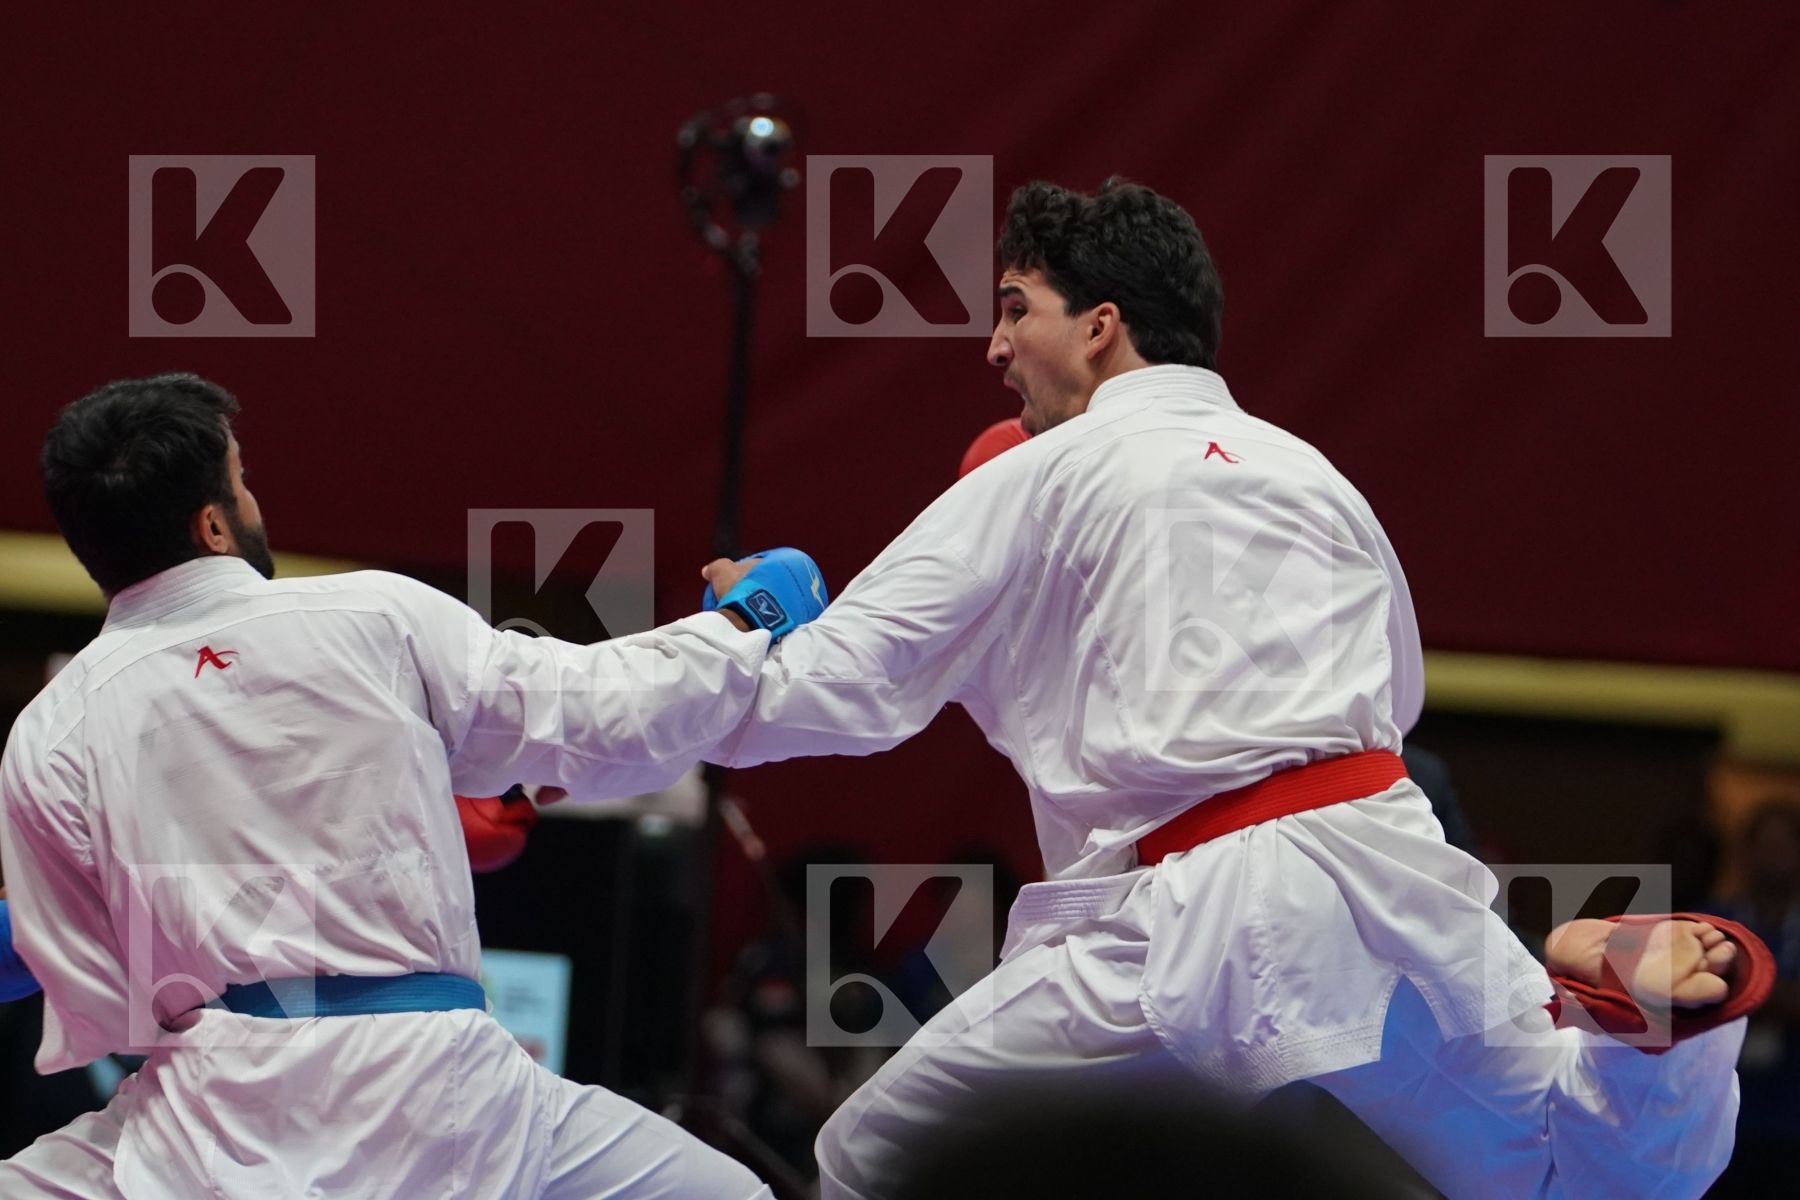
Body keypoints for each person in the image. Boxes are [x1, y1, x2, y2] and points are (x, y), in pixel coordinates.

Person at [691, 178, 1766, 1199]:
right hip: (1379, 853)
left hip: (1192, 921)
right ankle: (1642, 1041)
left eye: (1016, 309)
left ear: (1101, 325)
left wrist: (751, 622)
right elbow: (1394, 697)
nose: (996, 344)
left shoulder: (1039, 478)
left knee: (873, 1160)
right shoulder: (1309, 471)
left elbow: (830, 688)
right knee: (1570, 1177)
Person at [0, 374, 824, 1197]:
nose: (254, 505)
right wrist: (748, 619)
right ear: (212, 524)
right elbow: (605, 711)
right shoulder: (372, 616)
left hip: (212, 1110)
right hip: (440, 1085)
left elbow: (89, 977)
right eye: (242, 482)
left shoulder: (49, 730)